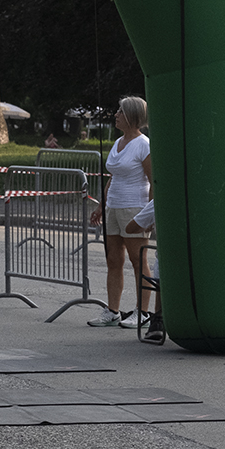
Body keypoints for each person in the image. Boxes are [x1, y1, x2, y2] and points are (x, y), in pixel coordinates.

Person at [87, 96, 153, 329]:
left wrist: (149, 214)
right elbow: (112, 177)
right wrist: (101, 206)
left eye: (121, 112)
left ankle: (143, 312)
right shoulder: (117, 142)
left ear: (133, 117)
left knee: (138, 260)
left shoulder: (143, 144)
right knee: (113, 259)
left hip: (134, 207)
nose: (116, 114)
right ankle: (113, 310)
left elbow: (153, 180)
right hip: (114, 207)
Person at [125, 199, 164, 344]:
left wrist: (150, 224)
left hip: (169, 267)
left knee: (161, 267)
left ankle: (158, 320)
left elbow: (130, 228)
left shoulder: (160, 200)